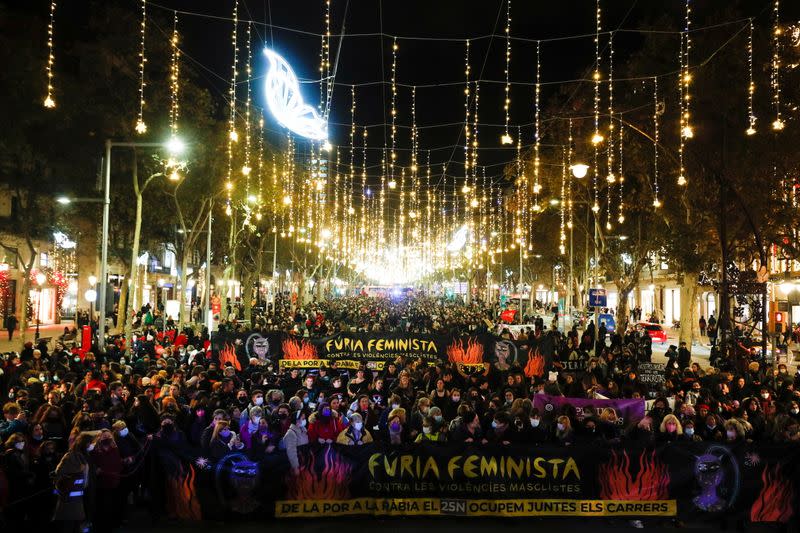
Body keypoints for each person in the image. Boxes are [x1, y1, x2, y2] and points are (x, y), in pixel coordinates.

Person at [54, 432, 94, 532]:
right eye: (90, 442)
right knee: (69, 525)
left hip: (78, 496)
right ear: (85, 443)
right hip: (69, 497)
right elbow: (59, 472)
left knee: (75, 524)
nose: (92, 445)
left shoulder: (83, 455)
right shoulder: (71, 455)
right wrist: (78, 470)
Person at [281, 410, 309, 475]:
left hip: (304, 460)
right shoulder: (291, 433)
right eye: (303, 419)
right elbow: (291, 452)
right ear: (297, 419)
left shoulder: (303, 429)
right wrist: (295, 467)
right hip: (298, 462)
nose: (305, 420)